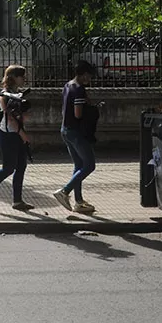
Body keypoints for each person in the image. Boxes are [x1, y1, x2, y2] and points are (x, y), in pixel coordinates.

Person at [0, 65, 34, 212]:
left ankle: (17, 201)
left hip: (16, 134)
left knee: (21, 167)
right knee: (8, 168)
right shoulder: (4, 96)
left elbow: (19, 116)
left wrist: (23, 117)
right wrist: (23, 134)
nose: (24, 79)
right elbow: (9, 118)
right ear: (14, 78)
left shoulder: (18, 94)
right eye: (22, 76)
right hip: (7, 135)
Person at [53, 60, 97, 214]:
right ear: (84, 74)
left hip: (65, 129)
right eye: (89, 76)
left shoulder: (68, 85)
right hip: (77, 132)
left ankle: (78, 201)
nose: (89, 80)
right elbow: (78, 113)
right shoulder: (79, 89)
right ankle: (64, 192)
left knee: (79, 166)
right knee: (89, 165)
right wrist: (91, 110)